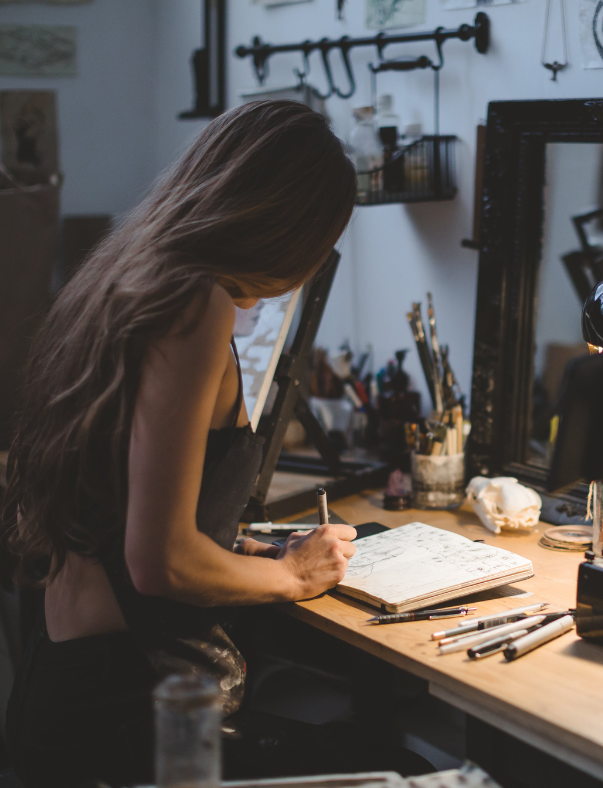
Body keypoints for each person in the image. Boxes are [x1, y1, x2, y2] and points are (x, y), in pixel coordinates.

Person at [1, 101, 373, 786]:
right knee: (387, 760)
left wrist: (239, 550)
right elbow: (160, 564)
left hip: (68, 687)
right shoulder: (194, 304)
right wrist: (293, 576)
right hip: (124, 708)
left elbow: (124, 510)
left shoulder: (123, 278)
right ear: (290, 231)